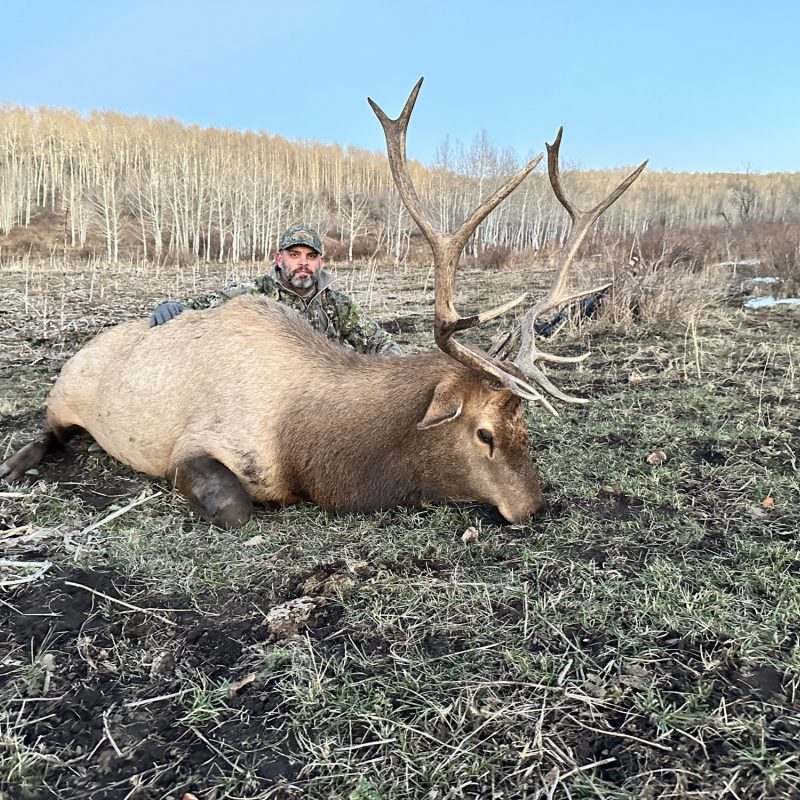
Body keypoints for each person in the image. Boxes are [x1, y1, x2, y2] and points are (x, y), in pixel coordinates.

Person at [149, 225, 401, 355]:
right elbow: (206, 305)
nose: (303, 262)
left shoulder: (339, 305)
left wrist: (400, 374)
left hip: (325, 395)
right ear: (279, 259)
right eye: (295, 255)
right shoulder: (255, 293)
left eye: (311, 256)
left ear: (320, 262)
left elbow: (380, 342)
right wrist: (175, 307)